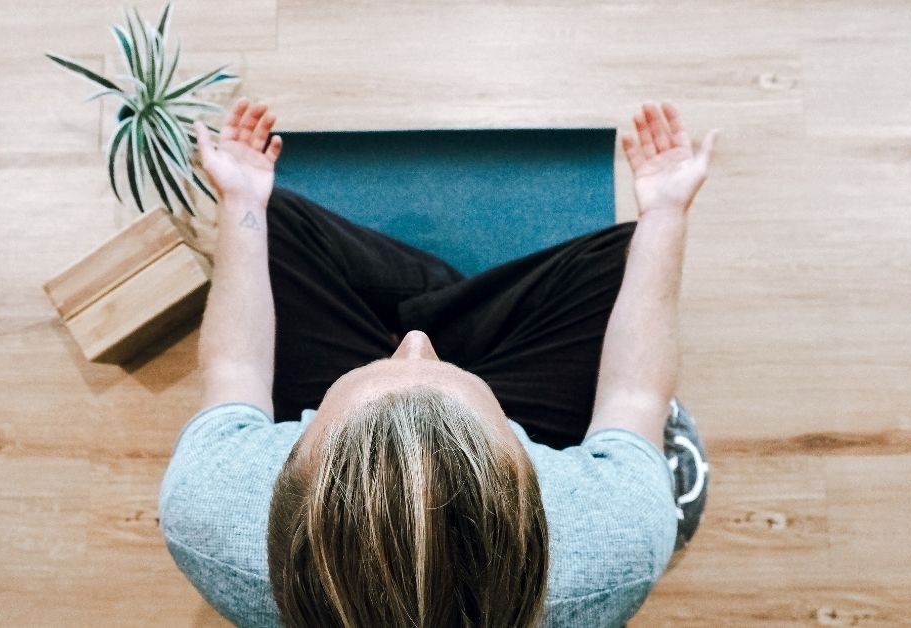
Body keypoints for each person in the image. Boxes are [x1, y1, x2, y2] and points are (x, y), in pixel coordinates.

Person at [159, 97, 717, 627]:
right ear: (532, 475)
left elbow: (236, 369)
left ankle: (439, 296)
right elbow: (635, 398)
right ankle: (458, 301)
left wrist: (242, 202)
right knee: (621, 260)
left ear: (284, 476)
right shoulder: (612, 540)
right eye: (441, 370)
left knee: (276, 223)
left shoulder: (211, 509)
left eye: (391, 361)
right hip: (550, 424)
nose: (417, 342)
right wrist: (666, 210)